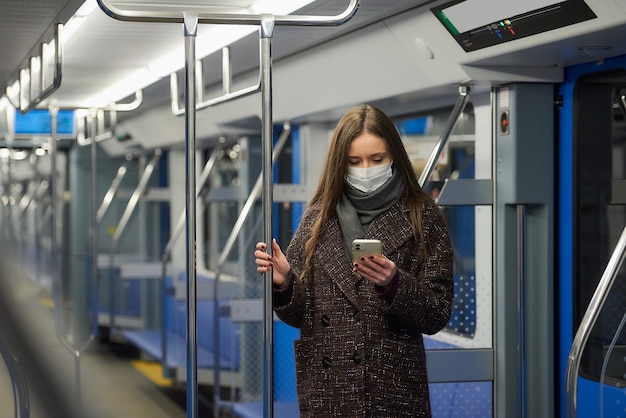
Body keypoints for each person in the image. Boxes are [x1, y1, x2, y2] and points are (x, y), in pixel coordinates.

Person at [254, 104, 454, 417]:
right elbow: (299, 315)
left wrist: (394, 284)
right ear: (340, 163)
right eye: (354, 162)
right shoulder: (317, 218)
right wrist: (285, 284)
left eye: (377, 160)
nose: (365, 170)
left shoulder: (423, 216)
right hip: (329, 389)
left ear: (394, 157)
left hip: (392, 388)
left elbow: (437, 313)